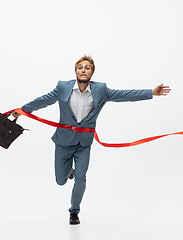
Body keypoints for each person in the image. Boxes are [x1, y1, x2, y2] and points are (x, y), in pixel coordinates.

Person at [12, 55, 171, 225]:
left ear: (92, 72)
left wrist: (151, 92)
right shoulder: (62, 87)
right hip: (63, 142)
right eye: (80, 67)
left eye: (87, 67)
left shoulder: (101, 90)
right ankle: (68, 172)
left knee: (81, 177)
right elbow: (43, 100)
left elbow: (123, 95)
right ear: (75, 71)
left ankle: (74, 211)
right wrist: (22, 110)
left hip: (83, 144)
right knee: (60, 180)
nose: (83, 70)